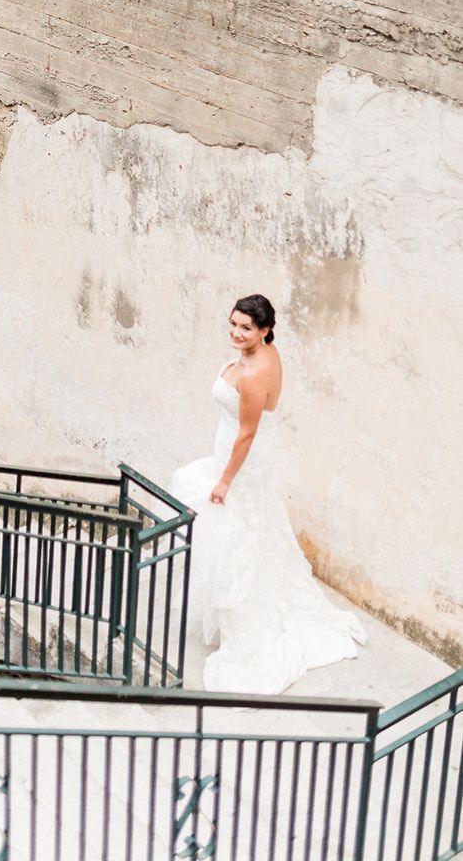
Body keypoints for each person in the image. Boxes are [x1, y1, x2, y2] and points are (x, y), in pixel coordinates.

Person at [170, 294, 366, 695]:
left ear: (264, 330)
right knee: (248, 531)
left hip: (240, 461)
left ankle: (242, 616)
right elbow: (266, 408)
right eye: (233, 324)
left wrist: (225, 480)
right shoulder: (268, 354)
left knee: (232, 531)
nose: (236, 332)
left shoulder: (256, 370)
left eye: (246, 328)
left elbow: (247, 432)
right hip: (242, 455)